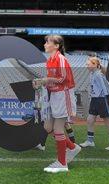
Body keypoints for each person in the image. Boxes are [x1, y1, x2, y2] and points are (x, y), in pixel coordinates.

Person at [33, 35, 81, 173]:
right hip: (54, 95)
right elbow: (52, 81)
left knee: (59, 129)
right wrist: (41, 83)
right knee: (48, 127)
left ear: (56, 46)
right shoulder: (50, 60)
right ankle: (72, 147)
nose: (45, 44)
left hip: (63, 95)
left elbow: (63, 78)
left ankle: (62, 163)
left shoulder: (61, 59)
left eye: (47, 42)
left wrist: (45, 79)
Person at [79, 56, 109, 150]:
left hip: (102, 100)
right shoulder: (92, 74)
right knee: (90, 120)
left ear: (95, 65)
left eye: (88, 64)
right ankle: (90, 141)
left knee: (107, 121)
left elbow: (108, 87)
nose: (87, 66)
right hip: (95, 100)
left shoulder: (99, 75)